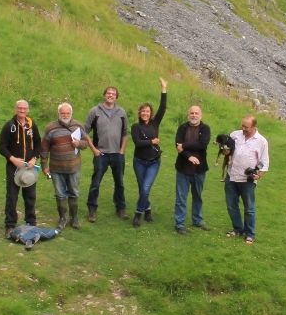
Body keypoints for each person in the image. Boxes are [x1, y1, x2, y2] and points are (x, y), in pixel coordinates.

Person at [41, 102, 92, 229]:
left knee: (74, 192)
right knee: (60, 194)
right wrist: (44, 165)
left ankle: (74, 218)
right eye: (63, 113)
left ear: (71, 113)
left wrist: (78, 144)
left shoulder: (78, 126)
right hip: (56, 168)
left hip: (74, 167)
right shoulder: (50, 128)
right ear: (58, 114)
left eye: (67, 113)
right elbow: (44, 147)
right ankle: (62, 219)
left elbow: (86, 143)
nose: (65, 115)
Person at [84, 86, 130, 221]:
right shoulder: (95, 111)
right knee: (96, 182)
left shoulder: (121, 112)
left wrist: (122, 151)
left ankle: (120, 208)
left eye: (113, 94)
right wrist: (93, 149)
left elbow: (125, 133)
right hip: (101, 154)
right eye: (108, 93)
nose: (110, 95)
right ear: (104, 95)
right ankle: (92, 210)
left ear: (116, 97)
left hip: (117, 154)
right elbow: (84, 131)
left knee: (120, 182)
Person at [129, 78, 170, 227]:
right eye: (143, 111)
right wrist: (152, 142)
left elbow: (163, 108)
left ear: (150, 113)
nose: (145, 113)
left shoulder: (155, 123)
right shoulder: (135, 127)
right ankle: (148, 210)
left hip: (153, 162)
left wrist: (163, 89)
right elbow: (138, 143)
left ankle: (138, 214)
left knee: (145, 188)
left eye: (148, 111)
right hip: (139, 161)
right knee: (142, 189)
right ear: (139, 113)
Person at [224, 114, 269, 244]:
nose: (243, 128)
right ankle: (237, 229)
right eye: (242, 125)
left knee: (249, 208)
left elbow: (264, 162)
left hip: (247, 181)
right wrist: (225, 151)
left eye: (246, 127)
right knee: (231, 205)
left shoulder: (261, 141)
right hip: (232, 176)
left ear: (254, 127)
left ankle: (250, 234)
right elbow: (227, 150)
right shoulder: (235, 135)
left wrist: (258, 175)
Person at [0, 99, 41, 230]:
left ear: (28, 110)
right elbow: (1, 147)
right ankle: (10, 224)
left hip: (29, 167)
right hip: (14, 166)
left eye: (24, 109)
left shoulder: (32, 125)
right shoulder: (9, 125)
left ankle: (31, 222)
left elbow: (39, 144)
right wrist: (12, 159)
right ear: (15, 109)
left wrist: (34, 159)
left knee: (30, 195)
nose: (22, 111)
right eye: (20, 108)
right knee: (12, 196)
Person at [173, 104, 212, 235]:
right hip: (183, 169)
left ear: (201, 115)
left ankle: (197, 220)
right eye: (192, 113)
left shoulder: (205, 129)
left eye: (196, 113)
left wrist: (184, 145)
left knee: (197, 196)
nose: (194, 115)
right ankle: (179, 224)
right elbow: (177, 146)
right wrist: (188, 156)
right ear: (188, 114)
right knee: (181, 198)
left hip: (199, 170)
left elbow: (202, 144)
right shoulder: (182, 128)